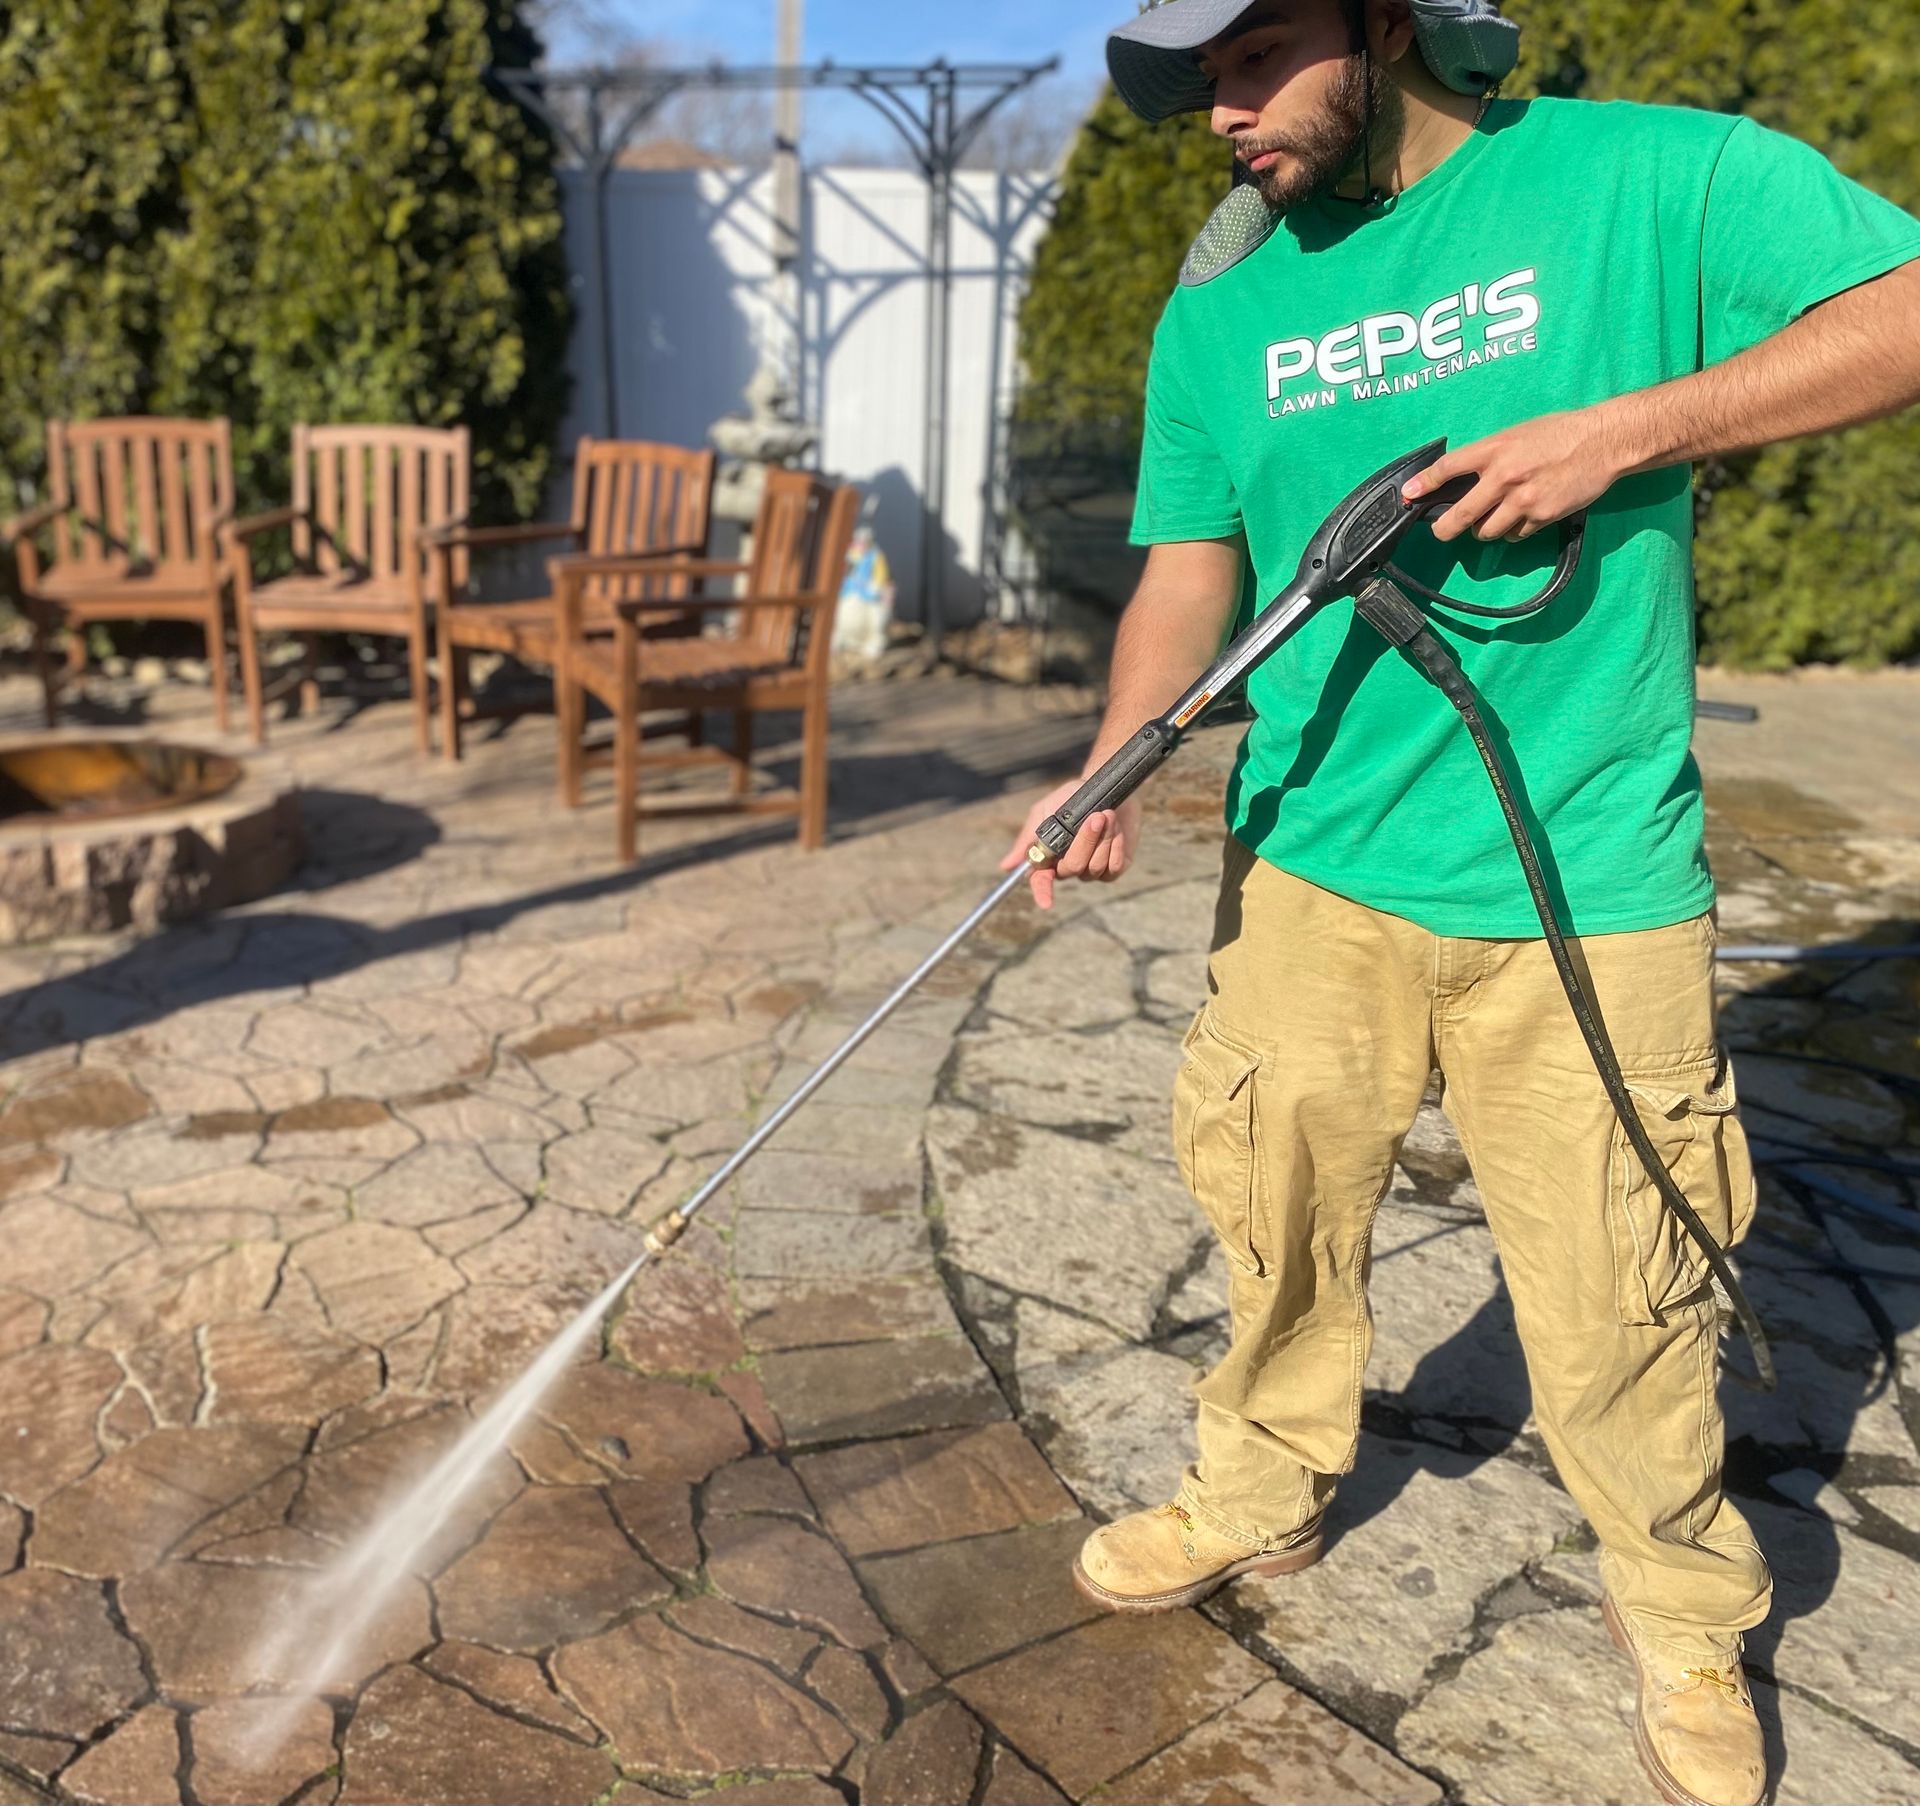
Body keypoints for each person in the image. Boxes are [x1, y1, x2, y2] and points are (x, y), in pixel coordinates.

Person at [1000, 4, 1920, 1803]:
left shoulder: (1643, 178)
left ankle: (1678, 1608)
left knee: (1622, 1290)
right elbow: (1191, 576)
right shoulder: (1220, 313)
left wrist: (1625, 434)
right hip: (1307, 875)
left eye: (1253, 57)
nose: (1221, 114)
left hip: (1587, 879)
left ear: (1380, 20)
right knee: (1269, 1211)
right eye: (1199, 80)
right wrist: (1119, 753)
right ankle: (1261, 1487)